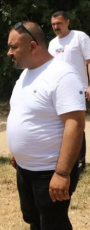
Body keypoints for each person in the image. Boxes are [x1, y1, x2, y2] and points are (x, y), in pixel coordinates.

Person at [7, 21, 85, 230]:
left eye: (14, 47)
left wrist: (62, 174)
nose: (9, 52)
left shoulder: (62, 75)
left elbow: (75, 125)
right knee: (33, 219)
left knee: (53, 224)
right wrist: (18, 151)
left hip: (50, 172)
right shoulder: (26, 74)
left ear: (32, 46)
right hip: (25, 169)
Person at [48, 11, 90, 175]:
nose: (56, 27)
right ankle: (66, 161)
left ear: (67, 22)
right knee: (60, 126)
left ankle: (80, 164)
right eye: (53, 24)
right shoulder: (52, 43)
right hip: (57, 91)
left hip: (77, 88)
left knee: (76, 126)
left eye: (59, 23)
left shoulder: (80, 37)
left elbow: (89, 62)